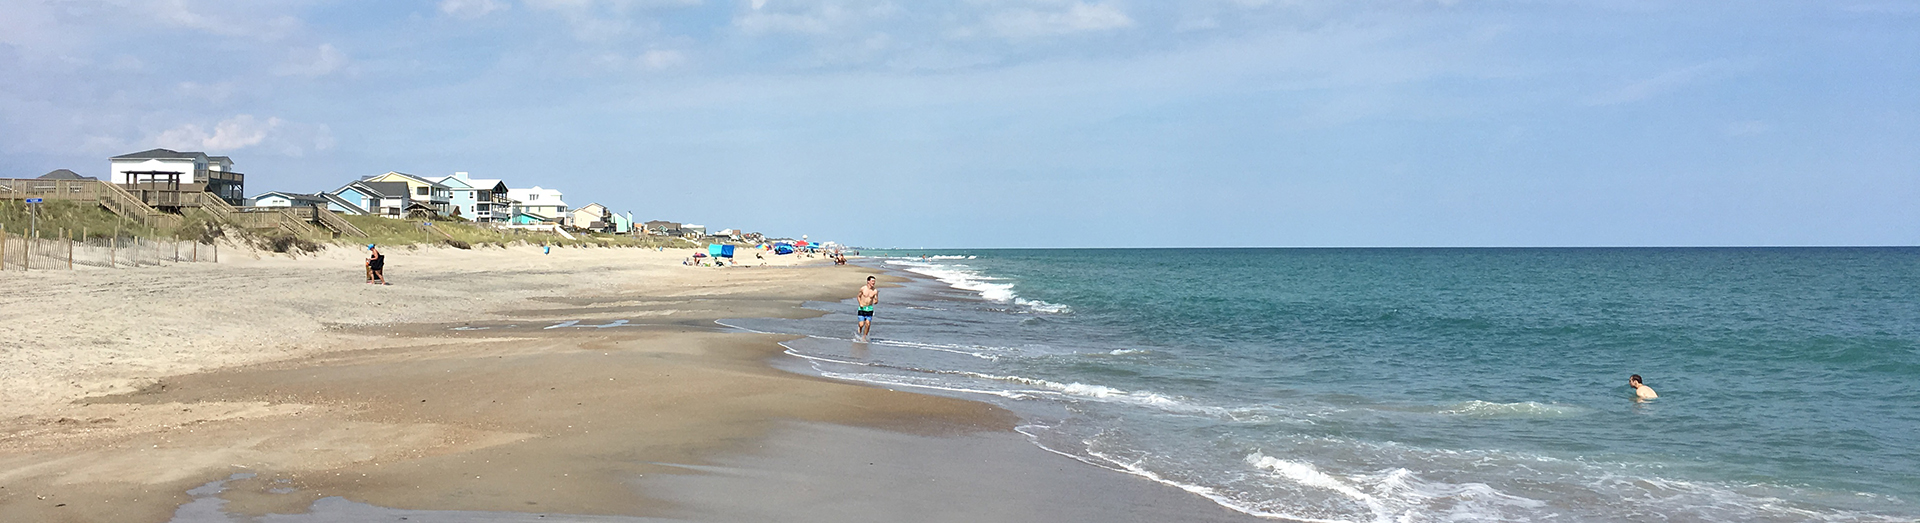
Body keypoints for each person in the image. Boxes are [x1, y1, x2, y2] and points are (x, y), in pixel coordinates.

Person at [855, 275, 879, 340]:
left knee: (868, 324)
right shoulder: (863, 288)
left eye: (874, 281)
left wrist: (876, 301)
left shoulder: (875, 291)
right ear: (868, 281)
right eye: (872, 281)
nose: (873, 282)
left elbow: (876, 300)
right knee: (861, 324)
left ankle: (864, 337)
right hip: (862, 308)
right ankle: (860, 328)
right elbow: (858, 296)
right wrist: (860, 303)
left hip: (869, 308)